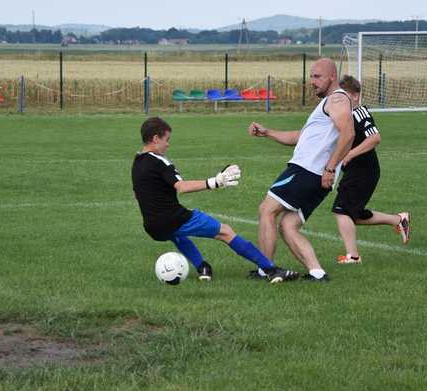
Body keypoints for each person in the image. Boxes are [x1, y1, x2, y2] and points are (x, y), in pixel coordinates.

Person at [132, 116, 298, 284]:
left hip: (152, 226)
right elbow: (181, 187)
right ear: (155, 138)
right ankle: (271, 270)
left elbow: (137, 194)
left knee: (175, 235)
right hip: (174, 217)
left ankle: (203, 267)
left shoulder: (137, 161)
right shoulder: (160, 161)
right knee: (225, 232)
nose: (168, 144)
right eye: (167, 139)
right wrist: (214, 182)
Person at [248, 58, 355, 282]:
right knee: (288, 225)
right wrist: (267, 132)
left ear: (332, 77)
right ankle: (317, 273)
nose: (312, 82)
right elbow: (299, 138)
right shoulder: (327, 103)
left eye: (318, 77)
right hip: (317, 177)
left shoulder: (337, 99)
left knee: (267, 210)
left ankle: (265, 270)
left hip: (308, 171)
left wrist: (329, 168)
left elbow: (348, 134)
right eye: (311, 76)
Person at [331, 75, 410, 264]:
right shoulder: (345, 116)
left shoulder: (359, 113)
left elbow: (375, 138)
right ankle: (398, 219)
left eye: (344, 97)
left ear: (356, 96)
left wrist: (350, 154)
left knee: (341, 210)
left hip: (364, 171)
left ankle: (353, 256)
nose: (340, 101)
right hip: (356, 171)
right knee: (354, 215)